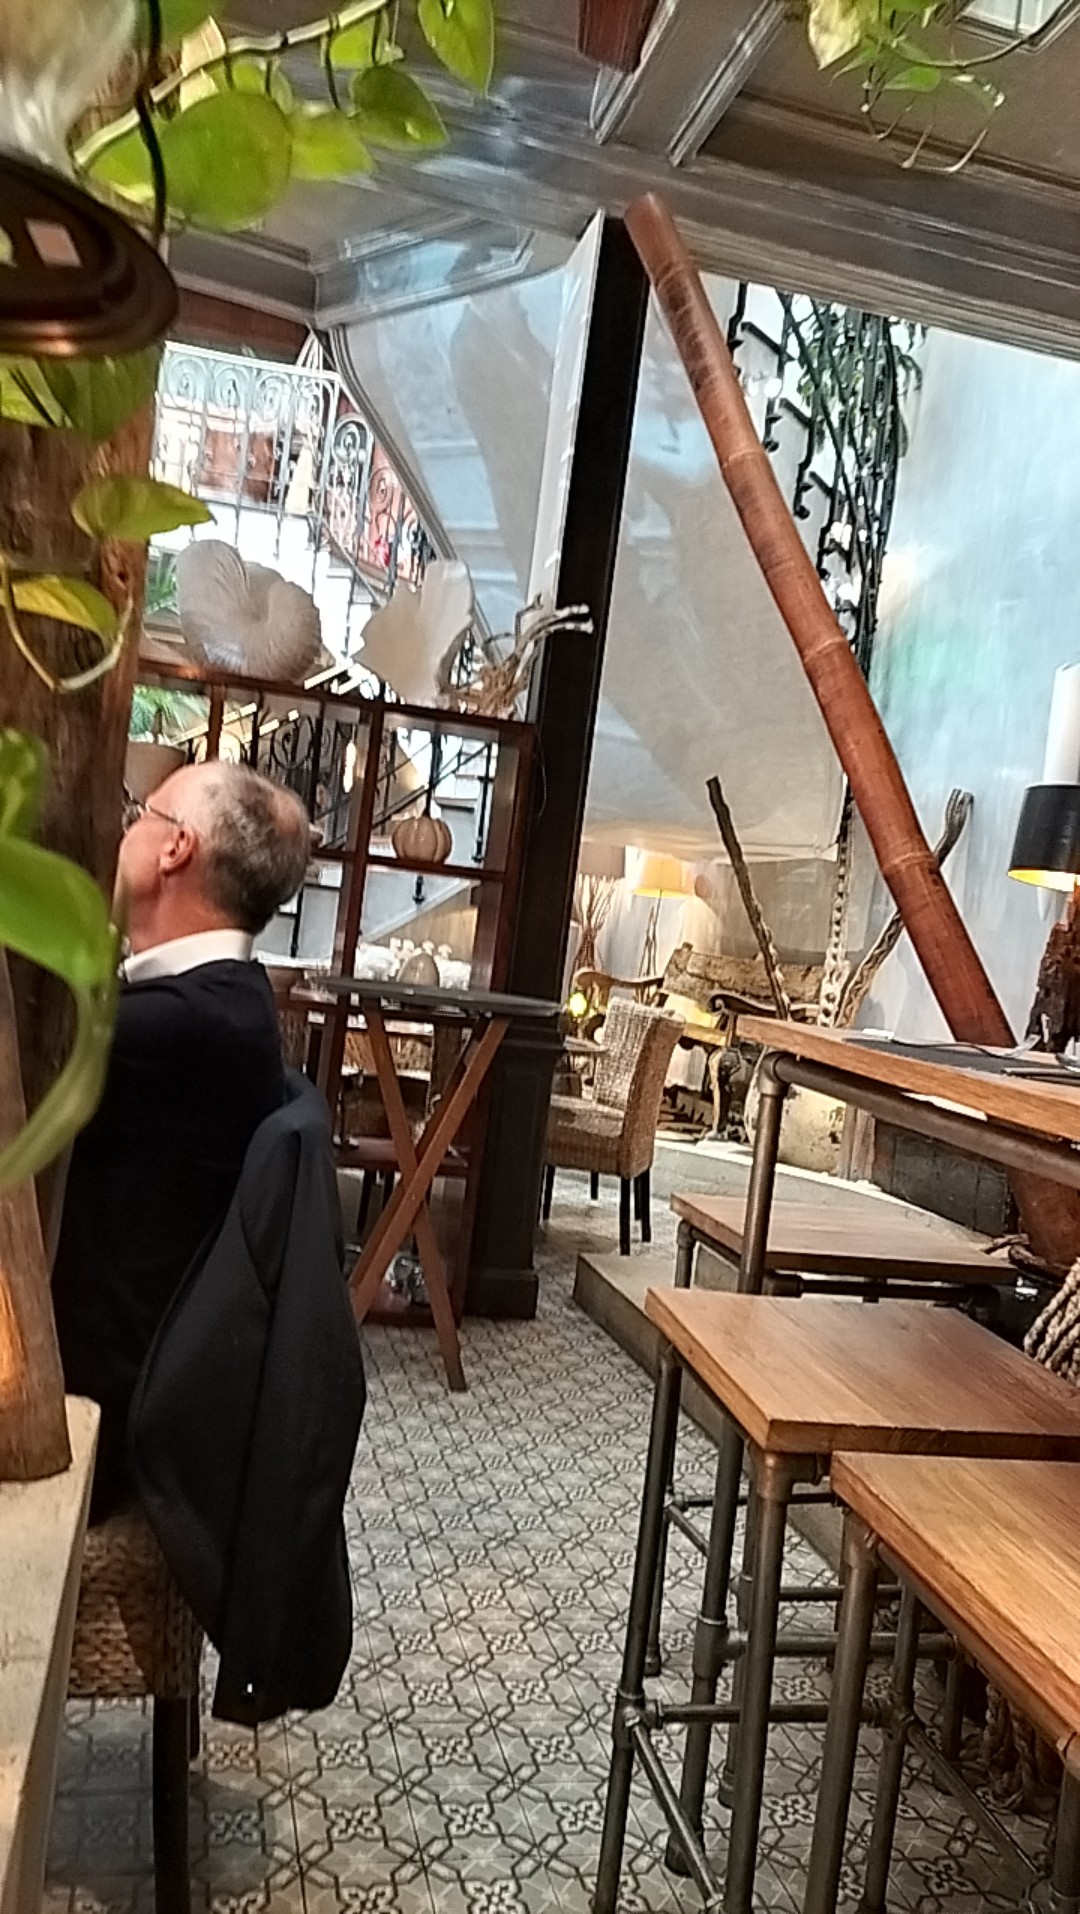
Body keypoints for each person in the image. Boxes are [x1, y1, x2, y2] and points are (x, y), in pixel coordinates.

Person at [52, 759, 311, 1522]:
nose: (124, 827)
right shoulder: (226, 999)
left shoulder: (180, 1027)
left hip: (83, 1414)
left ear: (175, 847)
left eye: (140, 811)